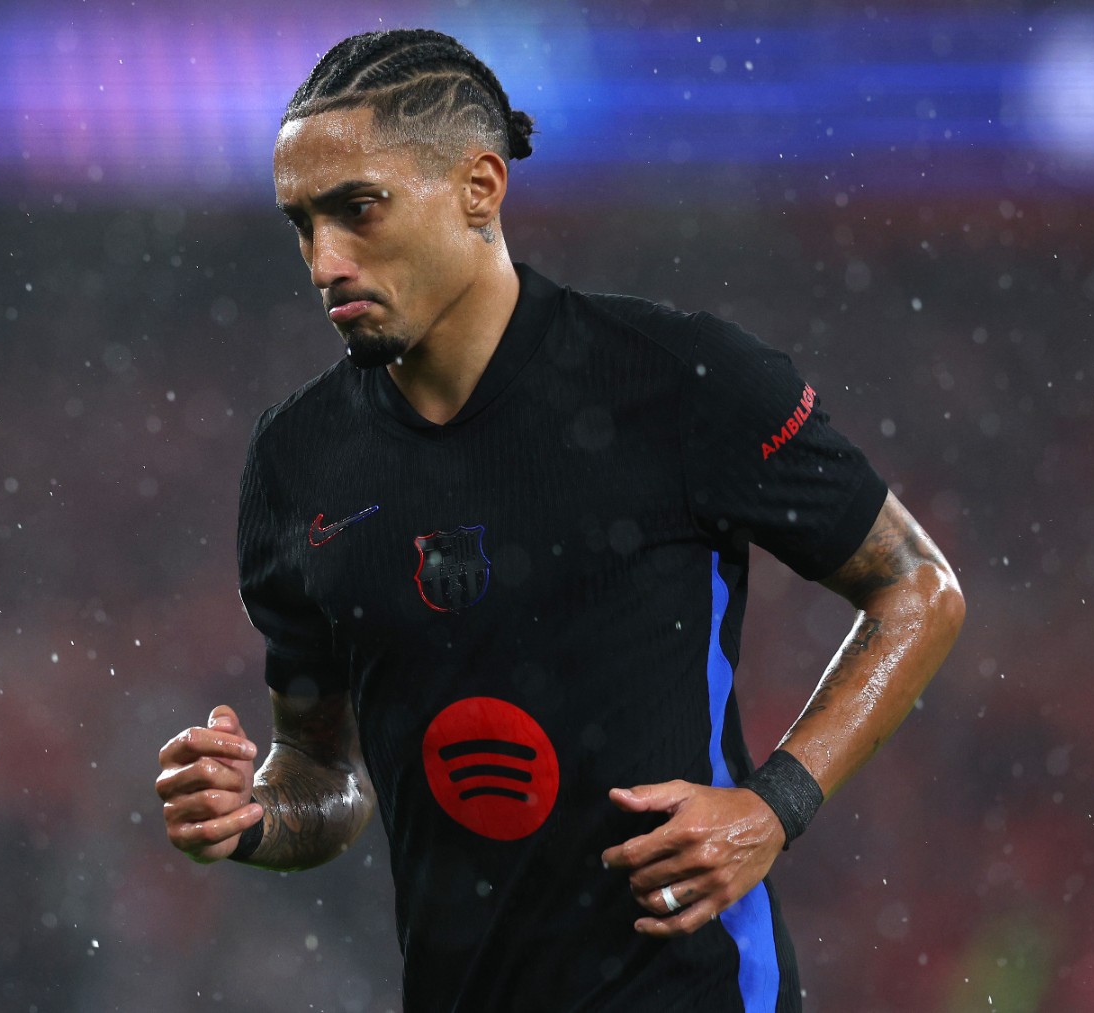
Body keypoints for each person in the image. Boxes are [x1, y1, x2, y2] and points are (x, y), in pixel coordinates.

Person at [154, 28, 965, 1012]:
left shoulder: (677, 381)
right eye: (300, 223)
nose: (324, 260)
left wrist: (775, 804)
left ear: (479, 187)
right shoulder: (295, 463)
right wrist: (250, 814)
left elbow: (916, 587)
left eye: (357, 209)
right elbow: (326, 769)